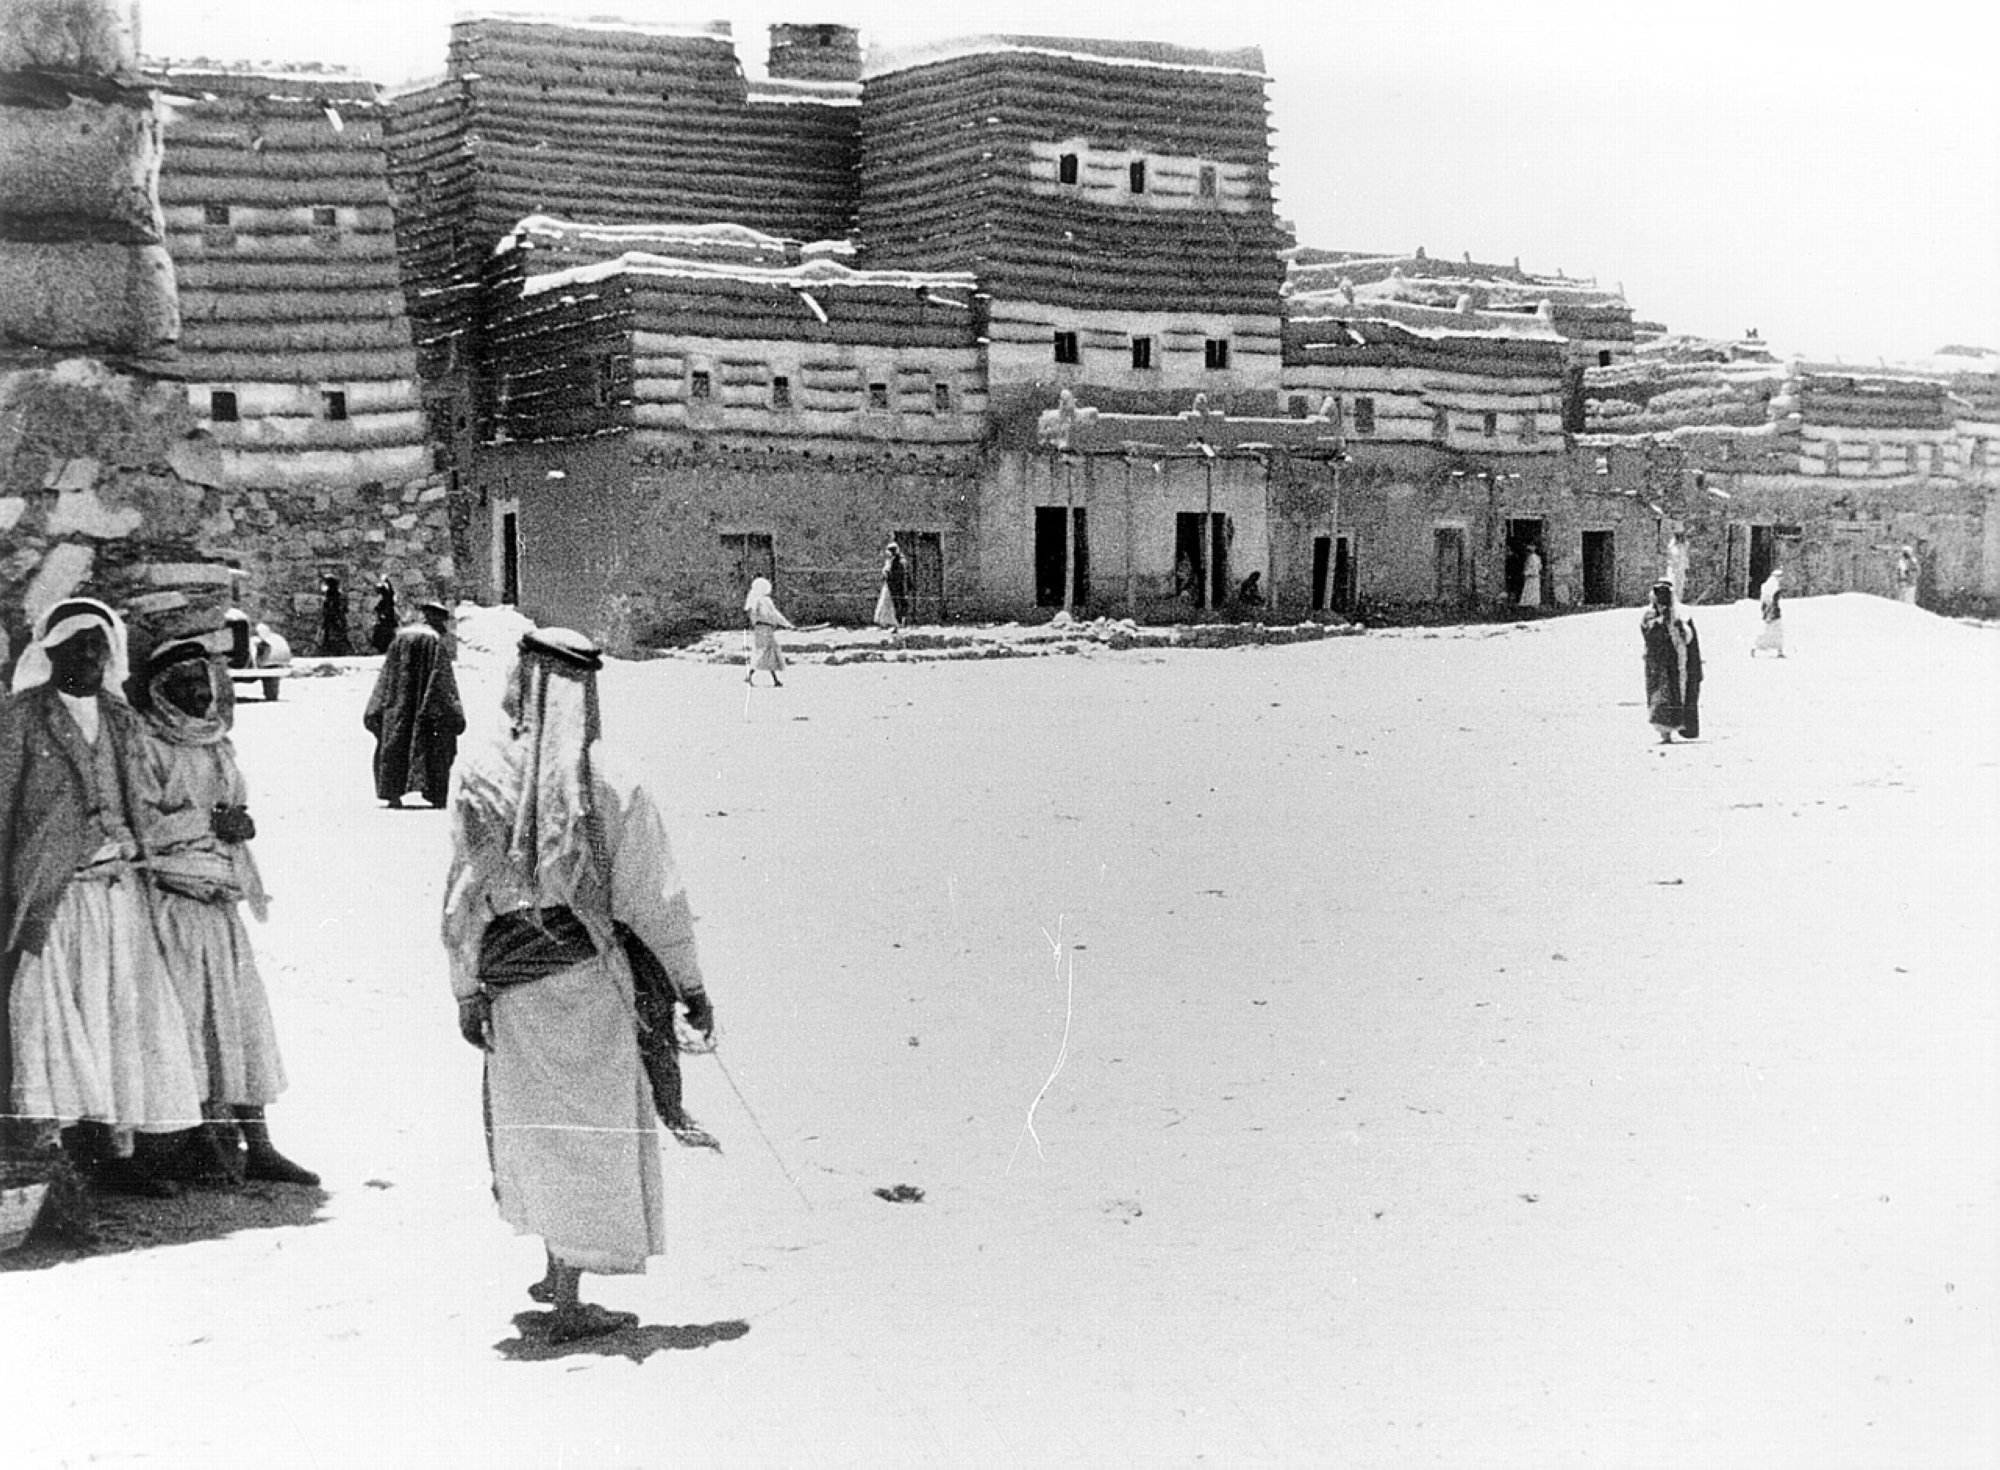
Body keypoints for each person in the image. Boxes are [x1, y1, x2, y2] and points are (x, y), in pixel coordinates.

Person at [441, 627, 716, 1344]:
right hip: (592, 984)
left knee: (538, 1128)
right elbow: (654, 899)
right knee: (589, 1136)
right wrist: (690, 985)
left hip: (511, 982)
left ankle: (558, 1269)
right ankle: (567, 1293)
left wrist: (466, 986)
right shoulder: (613, 778)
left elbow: (462, 898)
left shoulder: (476, 775)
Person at [1, 599, 201, 1195]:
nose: (89, 656)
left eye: (98, 645)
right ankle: (59, 1158)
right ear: (51, 651)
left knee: (121, 1017)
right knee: (58, 1017)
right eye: (77, 645)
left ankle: (120, 1150)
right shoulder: (20, 719)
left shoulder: (120, 718)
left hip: (119, 890)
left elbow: (142, 799)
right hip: (55, 896)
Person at [130, 640, 316, 1186]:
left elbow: (231, 810)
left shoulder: (217, 744)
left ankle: (259, 1147)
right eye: (183, 684)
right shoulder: (147, 746)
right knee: (186, 1028)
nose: (195, 693)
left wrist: (239, 826)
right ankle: (193, 1148)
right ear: (161, 690)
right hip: (175, 907)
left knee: (240, 1025)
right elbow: (147, 829)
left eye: (201, 683)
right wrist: (213, 827)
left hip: (219, 905)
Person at [363, 601, 465, 808]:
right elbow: (442, 681)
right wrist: (452, 711)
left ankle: (392, 793)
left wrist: (377, 706)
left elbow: (386, 677)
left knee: (395, 739)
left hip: (397, 704)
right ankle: (435, 794)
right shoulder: (435, 644)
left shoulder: (399, 639)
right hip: (428, 705)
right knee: (435, 743)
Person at [1640, 577, 1703, 743]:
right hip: (1658, 664)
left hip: (1678, 661)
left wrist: (1680, 627)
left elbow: (1689, 637)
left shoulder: (1681, 614)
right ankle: (1664, 732)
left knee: (1678, 693)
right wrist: (1662, 621)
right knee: (1660, 696)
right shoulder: (1649, 614)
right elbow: (1649, 633)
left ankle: (1680, 725)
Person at [743, 576, 794, 687]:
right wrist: (787, 624)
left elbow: (753, 616)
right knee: (764, 652)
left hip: (759, 629)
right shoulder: (765, 600)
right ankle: (750, 675)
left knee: (768, 652)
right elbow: (774, 614)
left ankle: (775, 680)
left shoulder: (754, 600)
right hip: (766, 629)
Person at [1751, 567, 1786, 657]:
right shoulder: (1773, 587)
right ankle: (1756, 647)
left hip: (1771, 612)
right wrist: (1771, 614)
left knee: (1775, 632)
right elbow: (1771, 602)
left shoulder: (1767, 586)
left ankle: (1779, 651)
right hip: (1773, 613)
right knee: (1771, 632)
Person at [873, 541, 906, 634]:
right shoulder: (891, 561)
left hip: (895, 586)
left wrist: (887, 575)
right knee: (886, 604)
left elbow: (897, 575)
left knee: (894, 604)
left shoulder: (899, 562)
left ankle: (896, 624)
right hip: (889, 585)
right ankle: (886, 624)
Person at [319, 575, 352, 657]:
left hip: (337, 619)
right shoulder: (328, 594)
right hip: (329, 620)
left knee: (339, 637)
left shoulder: (339, 595)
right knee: (328, 638)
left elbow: (343, 608)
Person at [369, 577, 398, 654]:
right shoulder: (383, 602)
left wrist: (387, 581)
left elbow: (391, 592)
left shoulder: (389, 601)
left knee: (385, 636)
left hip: (388, 622)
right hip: (384, 623)